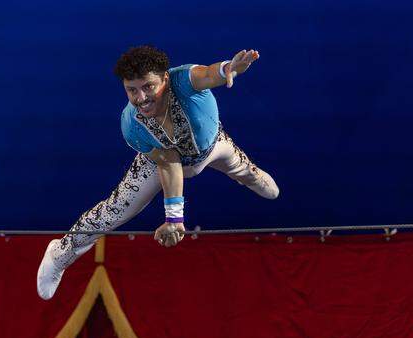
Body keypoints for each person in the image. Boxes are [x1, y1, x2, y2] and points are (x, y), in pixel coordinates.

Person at [37, 45, 279, 300]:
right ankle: (60, 253)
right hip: (161, 163)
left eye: (148, 87)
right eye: (132, 90)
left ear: (165, 78)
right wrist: (174, 219)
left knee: (255, 177)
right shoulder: (131, 124)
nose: (141, 98)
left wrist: (228, 69)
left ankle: (250, 175)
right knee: (111, 212)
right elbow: (168, 162)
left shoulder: (184, 80)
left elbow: (209, 74)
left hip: (213, 145)